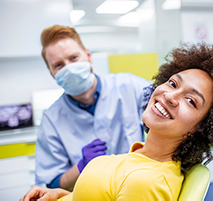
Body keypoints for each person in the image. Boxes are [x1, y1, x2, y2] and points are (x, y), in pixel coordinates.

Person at [21, 43, 213, 200]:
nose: (170, 96)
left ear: (202, 128)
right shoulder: (138, 157)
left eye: (191, 101)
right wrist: (60, 195)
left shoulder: (146, 182)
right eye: (173, 83)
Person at [35, 25, 150, 191]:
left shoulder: (130, 87)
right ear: (51, 72)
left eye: (74, 58)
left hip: (138, 187)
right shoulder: (51, 120)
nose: (69, 68)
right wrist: (82, 166)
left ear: (88, 56)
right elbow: (52, 183)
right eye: (59, 65)